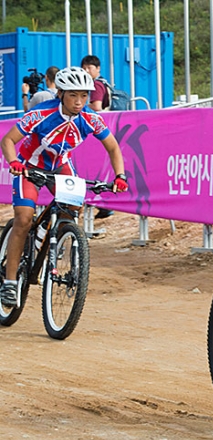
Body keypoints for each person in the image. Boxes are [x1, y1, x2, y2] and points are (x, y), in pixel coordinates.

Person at [0, 66, 128, 307]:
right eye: (73, 95)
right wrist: (14, 162)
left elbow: (113, 148)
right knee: (24, 218)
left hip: (60, 166)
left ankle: (56, 238)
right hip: (30, 166)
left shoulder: (90, 119)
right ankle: (9, 282)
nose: (79, 102)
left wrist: (120, 176)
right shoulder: (41, 114)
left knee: (71, 210)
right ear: (60, 93)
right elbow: (8, 140)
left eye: (84, 96)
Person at [80, 55, 115, 219]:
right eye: (84, 68)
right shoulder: (103, 83)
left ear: (98, 69)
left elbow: (97, 107)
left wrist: (80, 107)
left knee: (96, 170)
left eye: (90, 68)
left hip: (99, 132)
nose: (87, 71)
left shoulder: (95, 85)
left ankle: (105, 205)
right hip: (105, 130)